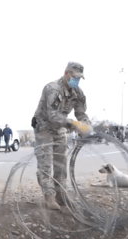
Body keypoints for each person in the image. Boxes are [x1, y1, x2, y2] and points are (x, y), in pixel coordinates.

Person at [32, 62, 93, 210]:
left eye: (79, 78)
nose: (76, 81)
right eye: (74, 77)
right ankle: (49, 197)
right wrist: (74, 125)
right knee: (46, 163)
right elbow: (53, 115)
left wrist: (86, 126)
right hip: (44, 126)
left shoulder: (78, 93)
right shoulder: (52, 89)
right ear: (66, 73)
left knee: (61, 164)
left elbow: (81, 113)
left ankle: (61, 195)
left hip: (60, 128)